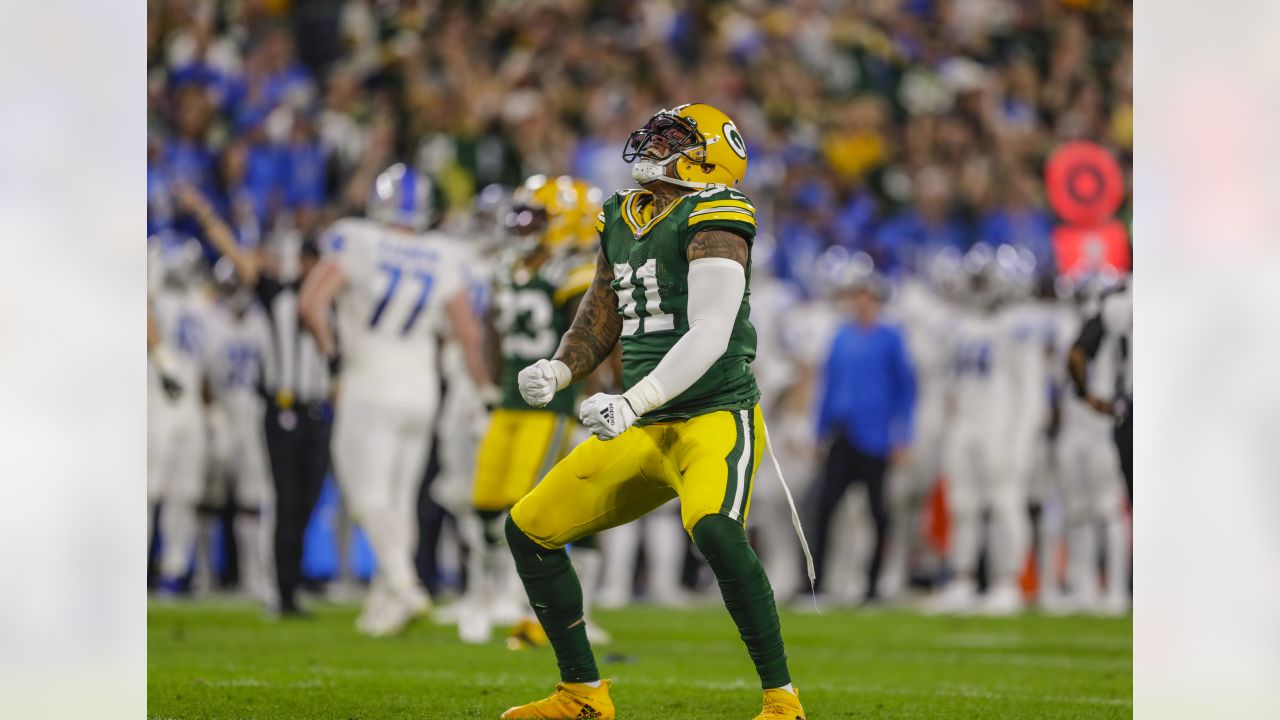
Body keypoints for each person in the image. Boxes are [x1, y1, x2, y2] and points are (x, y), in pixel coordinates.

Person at [499, 104, 807, 720]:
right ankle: (582, 694)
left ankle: (782, 701)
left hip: (712, 415)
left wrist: (633, 397)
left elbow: (712, 331)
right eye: (659, 131)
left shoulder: (717, 212)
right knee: (528, 527)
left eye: (675, 137)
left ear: (709, 157)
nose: (654, 142)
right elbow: (604, 304)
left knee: (715, 529)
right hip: (645, 424)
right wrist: (562, 368)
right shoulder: (622, 211)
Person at [298, 163, 492, 636]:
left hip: (371, 377)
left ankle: (404, 585)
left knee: (366, 494)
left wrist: (333, 357)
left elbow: (311, 304)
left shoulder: (357, 238)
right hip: (420, 385)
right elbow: (468, 332)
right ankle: (384, 603)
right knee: (400, 499)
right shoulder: (443, 253)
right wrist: (485, 388)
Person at [463, 175, 609, 646]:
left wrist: (596, 393)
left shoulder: (576, 273)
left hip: (553, 407)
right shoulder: (508, 267)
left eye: (537, 217)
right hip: (508, 401)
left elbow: (595, 339)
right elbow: (490, 331)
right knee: (485, 501)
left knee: (529, 508)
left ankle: (533, 604)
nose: (524, 224)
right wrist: (489, 386)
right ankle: (486, 595)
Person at [175, 181, 333, 618]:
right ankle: (281, 593)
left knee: (306, 501)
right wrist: (206, 212)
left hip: (319, 411)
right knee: (284, 501)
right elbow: (236, 254)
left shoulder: (334, 299)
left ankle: (292, 583)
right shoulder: (276, 292)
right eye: (306, 259)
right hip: (281, 409)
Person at [930, 245, 1046, 616]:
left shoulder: (1018, 325)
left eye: (984, 280)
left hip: (999, 425)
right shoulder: (962, 325)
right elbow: (949, 385)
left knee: (1004, 503)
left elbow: (1032, 392)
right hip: (965, 424)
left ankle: (1007, 582)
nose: (978, 287)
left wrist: (1021, 440)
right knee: (963, 505)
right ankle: (963, 579)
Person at [810, 263, 916, 605]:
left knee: (877, 514)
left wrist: (903, 435)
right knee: (824, 509)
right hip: (843, 433)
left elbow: (906, 390)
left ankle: (872, 584)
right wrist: (819, 431)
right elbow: (828, 387)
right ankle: (817, 581)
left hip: (875, 437)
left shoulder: (891, 338)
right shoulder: (841, 336)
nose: (864, 303)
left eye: (869, 298)